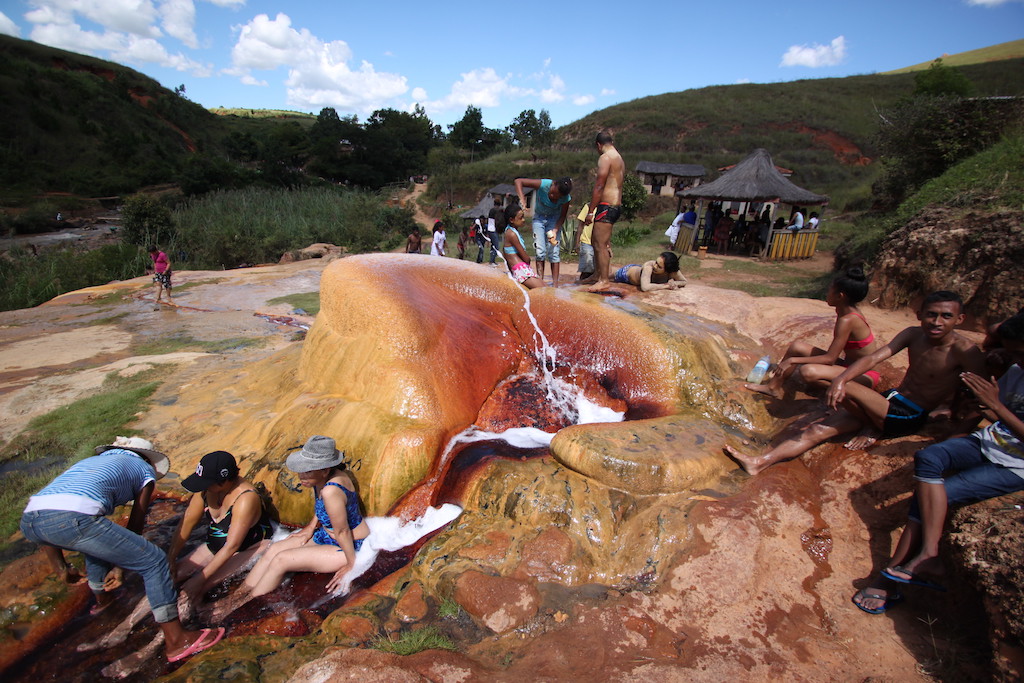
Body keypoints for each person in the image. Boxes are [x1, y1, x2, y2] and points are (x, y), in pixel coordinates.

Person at [853, 311, 1024, 614]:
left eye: (1018, 351)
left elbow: (1003, 413)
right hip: (990, 442)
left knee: (932, 493)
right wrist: (969, 419)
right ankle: (926, 554)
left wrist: (996, 406)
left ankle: (890, 576)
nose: (1012, 357)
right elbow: (996, 415)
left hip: (1015, 464)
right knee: (930, 457)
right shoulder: (1017, 369)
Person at [725, 291, 986, 475]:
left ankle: (874, 427)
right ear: (919, 315)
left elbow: (980, 396)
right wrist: (842, 378)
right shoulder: (913, 334)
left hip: (909, 414)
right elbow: (874, 357)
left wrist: (956, 433)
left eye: (945, 316)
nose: (937, 322)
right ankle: (759, 462)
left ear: (959, 319)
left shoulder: (965, 351)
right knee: (818, 430)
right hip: (889, 400)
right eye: (931, 315)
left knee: (835, 384)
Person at [19, 437, 225, 663]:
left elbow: (52, 508)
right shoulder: (144, 470)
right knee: (154, 560)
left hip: (31, 520)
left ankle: (102, 603)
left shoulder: (90, 462)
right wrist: (122, 565)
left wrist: (61, 567)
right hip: (71, 519)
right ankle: (177, 641)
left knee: (95, 543)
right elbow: (136, 522)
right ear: (149, 460)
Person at [83, 451, 273, 654]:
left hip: (245, 549)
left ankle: (150, 649)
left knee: (187, 592)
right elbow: (187, 522)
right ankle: (122, 628)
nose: (203, 486)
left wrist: (200, 579)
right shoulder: (205, 489)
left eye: (207, 482)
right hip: (214, 546)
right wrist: (171, 559)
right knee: (164, 577)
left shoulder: (246, 498)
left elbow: (231, 547)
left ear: (224, 481)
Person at [212, 436, 369, 618]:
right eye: (301, 470)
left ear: (325, 470)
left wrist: (352, 564)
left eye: (306, 471)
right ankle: (235, 597)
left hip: (350, 546)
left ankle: (238, 606)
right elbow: (323, 508)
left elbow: (342, 531)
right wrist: (310, 529)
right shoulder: (322, 479)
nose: (300, 476)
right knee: (274, 550)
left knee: (282, 560)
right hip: (326, 536)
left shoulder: (331, 490)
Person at [745, 265, 881, 399]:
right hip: (849, 367)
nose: (827, 293)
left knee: (807, 372)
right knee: (796, 347)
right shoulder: (845, 310)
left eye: (830, 290)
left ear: (840, 296)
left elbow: (829, 359)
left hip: (863, 374)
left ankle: (843, 396)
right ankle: (772, 387)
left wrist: (793, 360)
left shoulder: (847, 320)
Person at [582, 131, 625, 292]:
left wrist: (591, 211)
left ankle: (604, 280)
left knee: (600, 244)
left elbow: (599, 185)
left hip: (607, 205)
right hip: (614, 205)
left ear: (598, 145)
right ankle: (597, 274)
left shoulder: (605, 158)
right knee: (595, 240)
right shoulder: (618, 157)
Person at [514, 176, 572, 286]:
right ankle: (540, 280)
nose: (553, 197)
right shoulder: (544, 184)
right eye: (553, 193)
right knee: (540, 251)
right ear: (553, 184)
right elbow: (518, 181)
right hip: (539, 219)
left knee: (554, 251)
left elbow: (562, 216)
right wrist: (522, 199)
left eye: (557, 197)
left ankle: (555, 284)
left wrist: (555, 230)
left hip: (554, 220)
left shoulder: (565, 198)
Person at [502, 203, 544, 289]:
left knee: (545, 289)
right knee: (544, 290)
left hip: (520, 269)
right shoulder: (512, 234)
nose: (523, 220)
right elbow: (526, 258)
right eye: (521, 218)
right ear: (511, 220)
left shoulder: (511, 232)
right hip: (520, 270)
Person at [610, 252, 687, 292]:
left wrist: (675, 283)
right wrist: (666, 286)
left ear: (668, 270)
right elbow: (645, 287)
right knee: (607, 276)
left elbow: (684, 281)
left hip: (639, 270)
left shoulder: (672, 271)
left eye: (659, 266)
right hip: (626, 273)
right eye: (656, 262)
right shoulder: (649, 267)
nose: (655, 266)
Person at [573, 203, 595, 283]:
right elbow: (580, 225)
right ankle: (582, 282)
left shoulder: (604, 208)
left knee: (595, 266)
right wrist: (577, 243)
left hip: (598, 243)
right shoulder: (588, 207)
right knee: (587, 263)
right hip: (586, 241)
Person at [485, 198, 505, 265]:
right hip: (493, 229)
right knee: (496, 246)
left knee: (493, 245)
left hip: (490, 229)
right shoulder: (496, 210)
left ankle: (492, 260)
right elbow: (502, 210)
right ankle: (492, 261)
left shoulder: (492, 210)